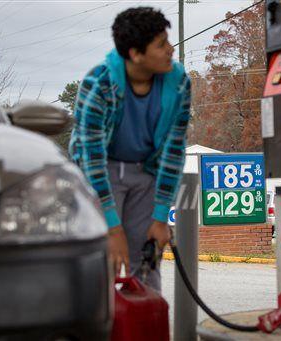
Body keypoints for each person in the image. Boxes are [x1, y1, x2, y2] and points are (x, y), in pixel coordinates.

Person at [68, 7, 190, 291]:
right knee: (104, 261)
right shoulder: (98, 84)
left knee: (146, 261)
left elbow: (174, 151)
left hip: (145, 170)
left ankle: (146, 322)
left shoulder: (179, 83)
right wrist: (112, 227)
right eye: (161, 44)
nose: (171, 50)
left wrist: (161, 218)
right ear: (136, 54)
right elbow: (91, 158)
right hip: (101, 171)